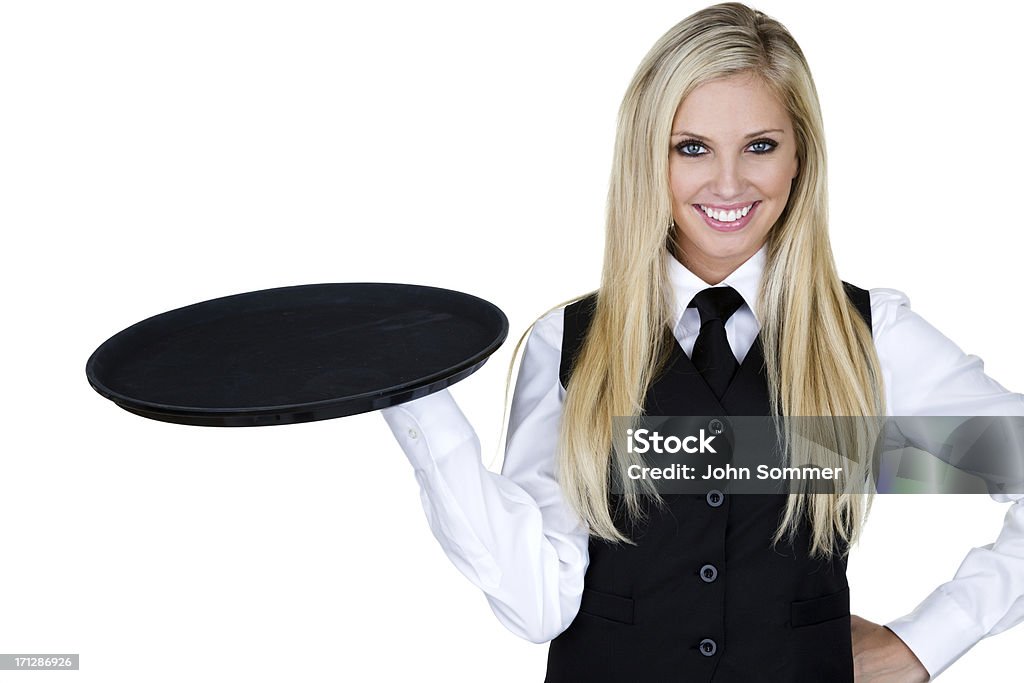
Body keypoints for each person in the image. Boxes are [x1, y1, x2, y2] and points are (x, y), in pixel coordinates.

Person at [381, 3, 1024, 681]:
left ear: (800, 155)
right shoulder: (571, 344)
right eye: (692, 147)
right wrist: (418, 403)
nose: (727, 182)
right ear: (647, 157)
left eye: (760, 145)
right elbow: (540, 602)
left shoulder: (866, 335)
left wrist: (928, 640)